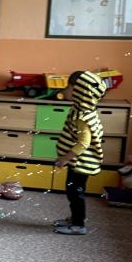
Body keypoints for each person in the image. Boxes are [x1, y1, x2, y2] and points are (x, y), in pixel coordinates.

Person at [53, 70, 108, 235]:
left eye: (68, 87)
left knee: (75, 193)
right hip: (78, 161)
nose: (65, 90)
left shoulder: (82, 117)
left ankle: (78, 225)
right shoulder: (81, 109)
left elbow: (84, 143)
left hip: (80, 162)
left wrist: (65, 158)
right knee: (74, 190)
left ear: (80, 92)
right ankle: (76, 218)